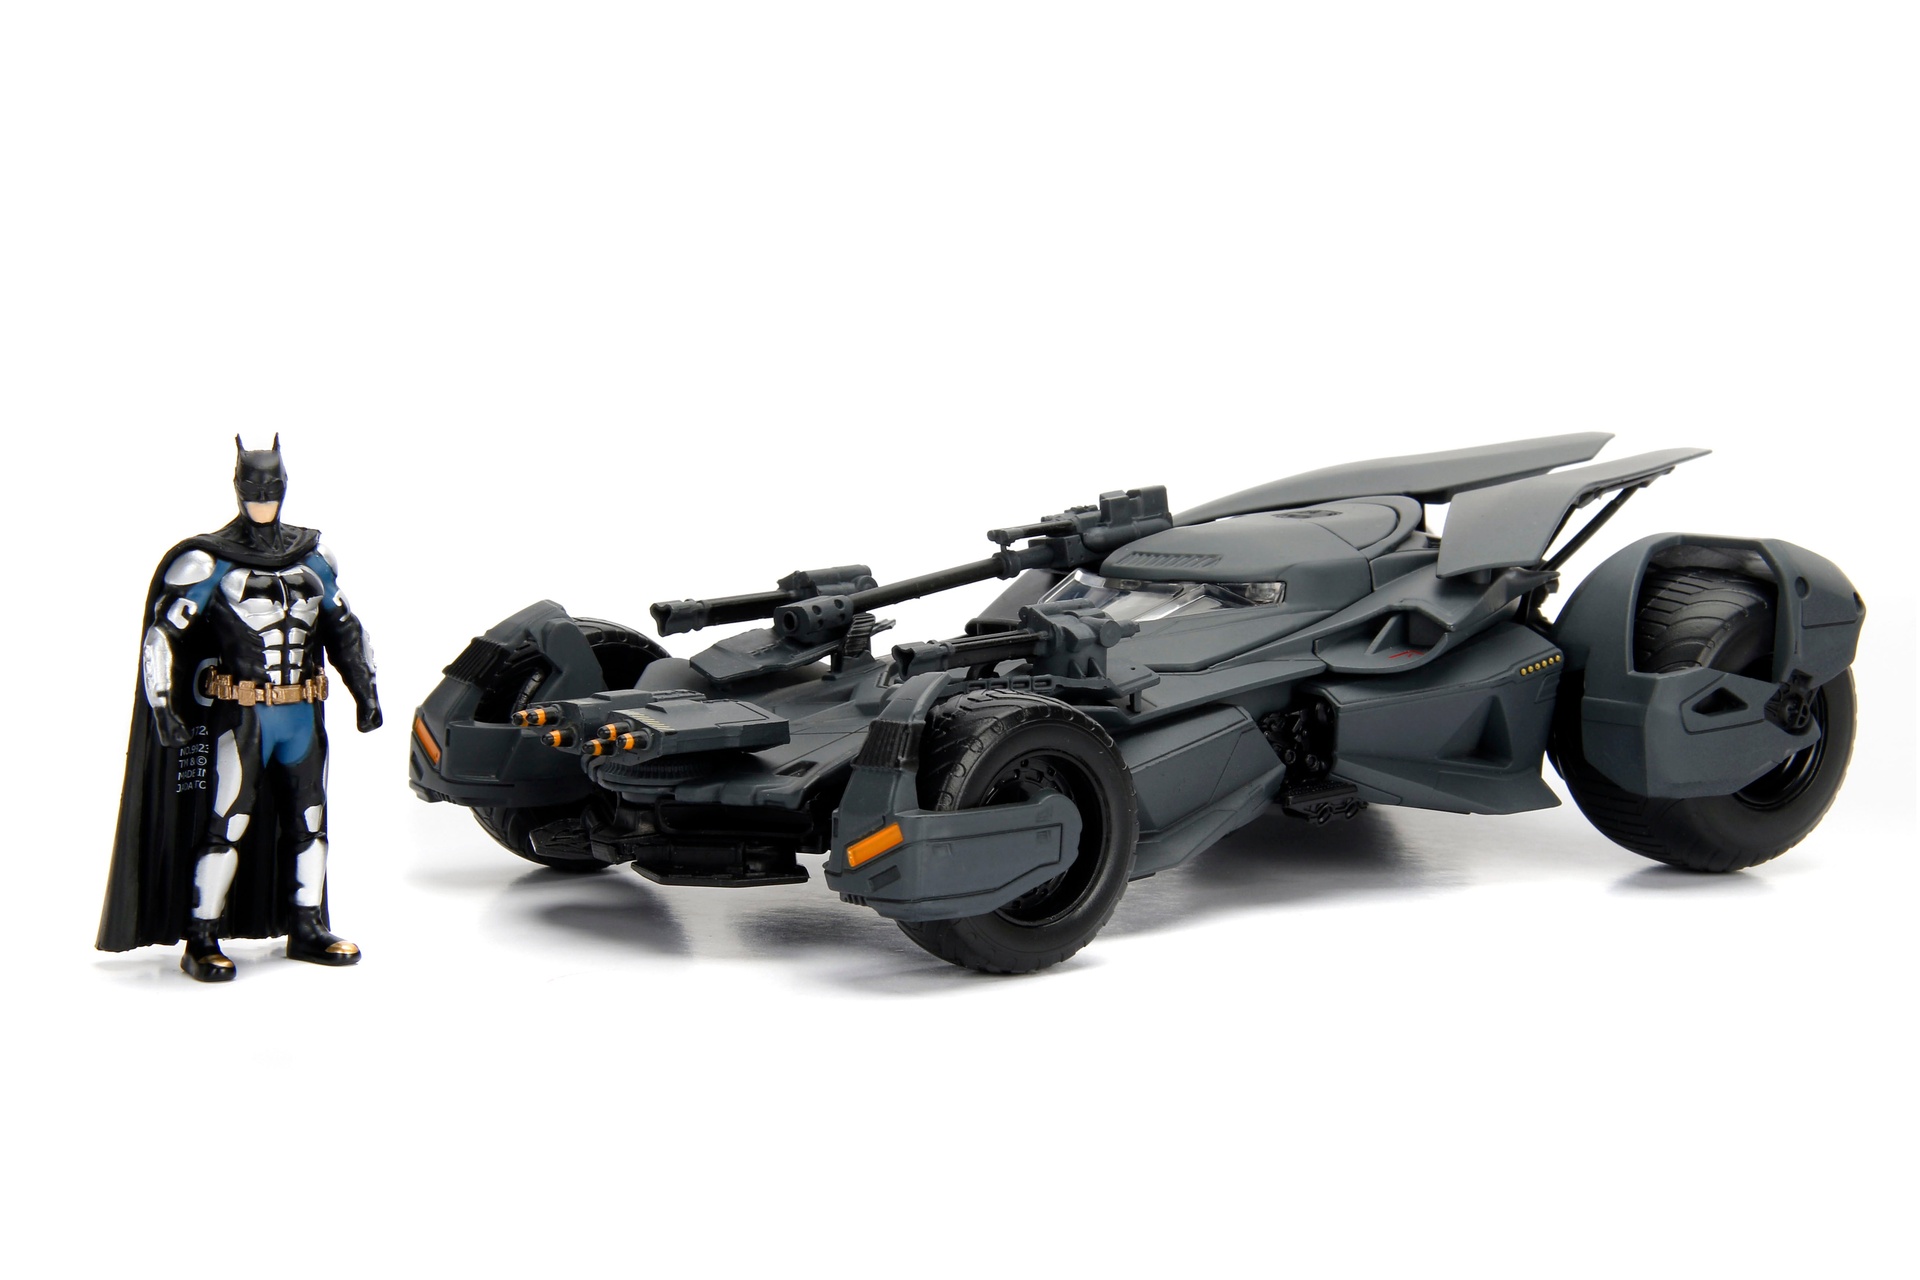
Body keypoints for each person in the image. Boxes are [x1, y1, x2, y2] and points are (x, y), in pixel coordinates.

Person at [99, 436, 383, 981]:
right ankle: (201, 936)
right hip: (243, 717)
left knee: (310, 820)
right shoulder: (208, 561)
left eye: (271, 489)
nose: (263, 499)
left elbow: (346, 628)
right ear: (237, 488)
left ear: (285, 486)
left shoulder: (313, 556)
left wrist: (365, 691)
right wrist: (163, 706)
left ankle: (307, 926)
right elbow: (164, 635)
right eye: (254, 490)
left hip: (301, 716)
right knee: (226, 822)